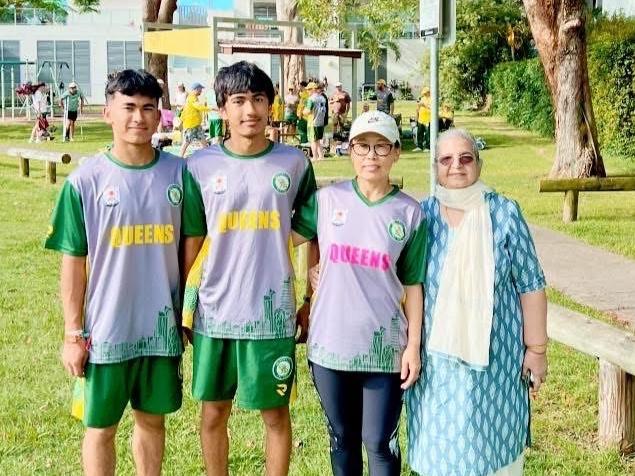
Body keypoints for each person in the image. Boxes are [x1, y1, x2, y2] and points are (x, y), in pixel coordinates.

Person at [44, 69, 185, 475]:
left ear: (159, 116)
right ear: (108, 112)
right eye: (128, 107)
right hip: (105, 332)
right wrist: (73, 333)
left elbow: (193, 250)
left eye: (147, 108)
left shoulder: (179, 175)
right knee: (100, 426)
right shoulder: (85, 182)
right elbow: (73, 262)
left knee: (152, 421)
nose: (138, 117)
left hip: (161, 330)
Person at [181, 60, 317, 476]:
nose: (250, 110)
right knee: (212, 414)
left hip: (270, 315)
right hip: (214, 313)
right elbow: (193, 240)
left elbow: (311, 230)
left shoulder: (293, 164)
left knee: (275, 416)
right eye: (239, 101)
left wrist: (310, 299)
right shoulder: (199, 166)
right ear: (222, 108)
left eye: (259, 99)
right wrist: (183, 307)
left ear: (271, 106)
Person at [291, 110, 427, 476]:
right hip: (330, 345)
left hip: (385, 349)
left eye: (381, 147)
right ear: (350, 151)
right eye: (362, 146)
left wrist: (413, 345)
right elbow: (282, 239)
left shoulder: (410, 213)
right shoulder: (326, 201)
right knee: (342, 439)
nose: (371, 155)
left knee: (379, 444)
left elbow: (413, 285)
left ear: (396, 152)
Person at [406, 129, 548, 476]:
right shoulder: (421, 216)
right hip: (437, 366)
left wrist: (537, 350)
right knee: (439, 452)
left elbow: (531, 284)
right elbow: (400, 279)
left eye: (466, 158)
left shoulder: (504, 214)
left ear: (479, 165)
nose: (457, 166)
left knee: (493, 452)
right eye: (447, 159)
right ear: (436, 166)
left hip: (497, 362)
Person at [179, 82, 210, 157]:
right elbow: (198, 106)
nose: (201, 91)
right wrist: (210, 108)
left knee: (202, 139)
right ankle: (180, 157)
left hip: (196, 124)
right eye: (200, 89)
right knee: (187, 141)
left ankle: (207, 155)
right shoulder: (192, 97)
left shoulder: (193, 97)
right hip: (190, 125)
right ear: (196, 89)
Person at [304, 82, 328, 161]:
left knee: (312, 140)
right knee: (318, 140)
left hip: (313, 122)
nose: (307, 91)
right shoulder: (322, 98)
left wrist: (303, 111)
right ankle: (321, 156)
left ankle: (314, 157)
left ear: (312, 90)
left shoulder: (311, 99)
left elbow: (308, 111)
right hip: (320, 122)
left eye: (308, 90)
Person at [205, 80, 224, 145]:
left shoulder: (219, 93)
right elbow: (205, 104)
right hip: (212, 116)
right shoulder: (209, 93)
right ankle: (216, 148)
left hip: (217, 117)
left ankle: (218, 148)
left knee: (217, 135)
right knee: (214, 135)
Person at [413, 87, 431, 152]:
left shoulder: (432, 99)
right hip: (421, 119)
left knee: (427, 134)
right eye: (424, 93)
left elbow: (432, 109)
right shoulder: (422, 99)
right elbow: (417, 109)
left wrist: (424, 106)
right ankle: (419, 146)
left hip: (428, 119)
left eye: (426, 93)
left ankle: (428, 147)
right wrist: (416, 116)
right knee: (419, 133)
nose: (424, 94)